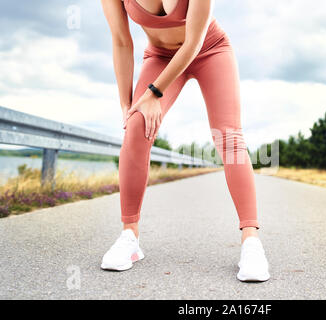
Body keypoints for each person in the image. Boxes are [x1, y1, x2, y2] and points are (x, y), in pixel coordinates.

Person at [100, 0, 270, 282]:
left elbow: (193, 42)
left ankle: (251, 241)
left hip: (209, 49)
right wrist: (125, 106)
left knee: (229, 136)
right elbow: (120, 42)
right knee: (136, 127)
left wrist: (154, 92)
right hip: (160, 56)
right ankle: (129, 237)